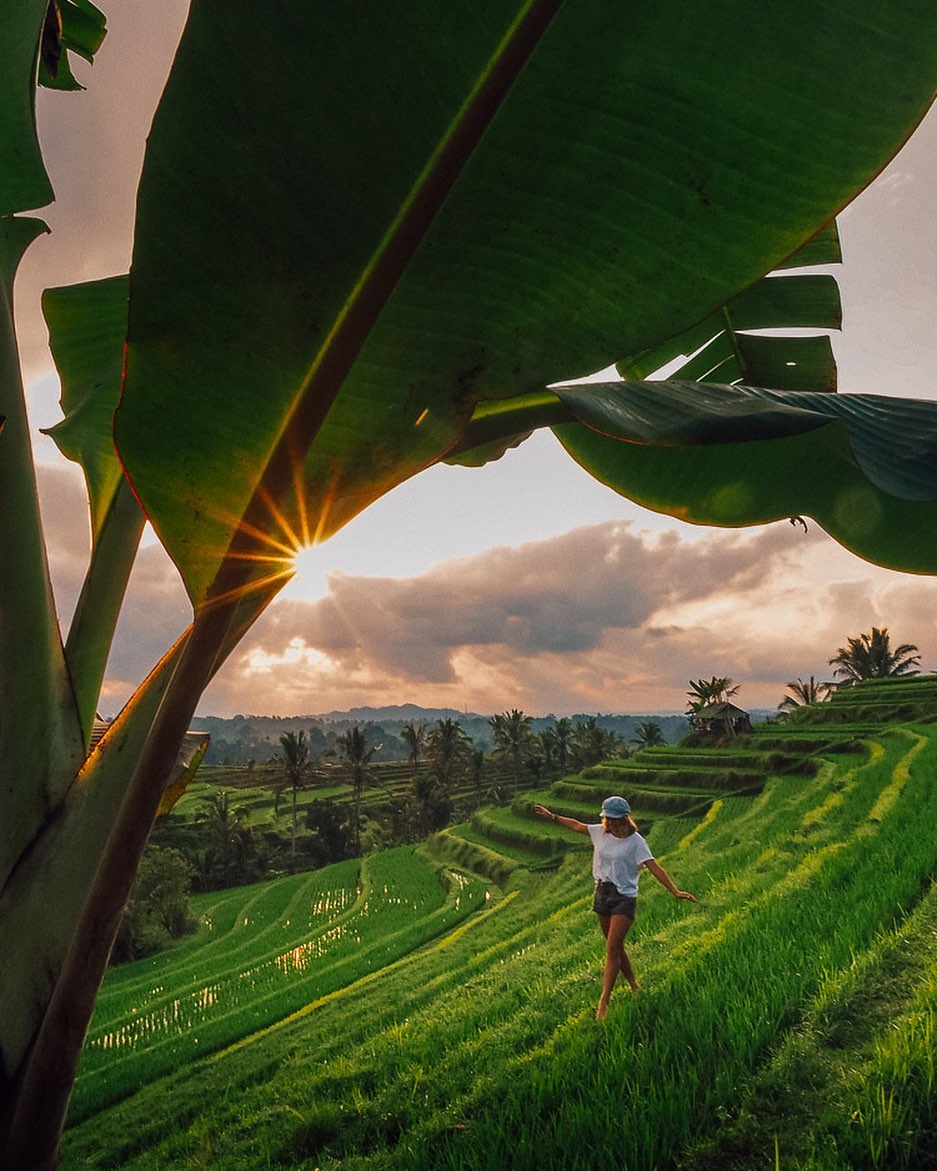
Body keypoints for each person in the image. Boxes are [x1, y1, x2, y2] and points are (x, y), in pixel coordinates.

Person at [534, 794, 696, 1019]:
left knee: (611, 948)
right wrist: (552, 817)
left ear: (625, 819)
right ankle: (633, 985)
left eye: (615, 819)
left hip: (624, 897)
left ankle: (604, 1002)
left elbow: (654, 867)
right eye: (608, 819)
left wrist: (675, 891)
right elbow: (577, 826)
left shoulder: (636, 841)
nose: (610, 823)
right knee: (616, 948)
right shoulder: (600, 832)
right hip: (601, 894)